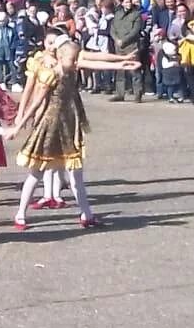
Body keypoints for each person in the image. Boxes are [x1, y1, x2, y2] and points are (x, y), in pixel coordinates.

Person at [8, 37, 139, 230]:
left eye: (77, 57)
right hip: (50, 126)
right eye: (73, 57)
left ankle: (87, 214)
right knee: (36, 172)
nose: (77, 60)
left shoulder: (72, 68)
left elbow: (96, 63)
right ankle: (20, 214)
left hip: (69, 124)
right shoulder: (51, 75)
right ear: (60, 57)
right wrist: (18, 126)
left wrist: (122, 64)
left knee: (76, 173)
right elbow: (36, 101)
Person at [109, 0, 144, 102]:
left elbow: (135, 30)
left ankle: (138, 94)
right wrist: (116, 39)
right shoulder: (117, 14)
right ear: (122, 3)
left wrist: (123, 40)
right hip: (119, 46)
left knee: (134, 70)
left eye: (130, 1)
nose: (129, 4)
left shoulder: (136, 14)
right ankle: (120, 93)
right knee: (120, 70)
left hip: (131, 45)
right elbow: (112, 29)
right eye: (126, 2)